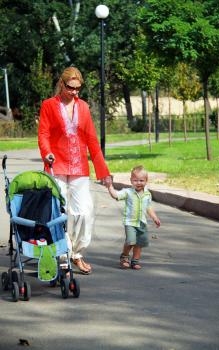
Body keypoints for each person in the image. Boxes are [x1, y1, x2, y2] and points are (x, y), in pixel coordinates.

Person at [38, 66, 112, 274]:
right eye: (71, 88)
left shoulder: (84, 108)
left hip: (79, 165)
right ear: (62, 84)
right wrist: (46, 152)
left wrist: (103, 172)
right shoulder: (48, 106)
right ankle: (62, 254)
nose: (75, 92)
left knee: (84, 212)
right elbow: (43, 133)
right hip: (57, 165)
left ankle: (76, 253)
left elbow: (92, 141)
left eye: (78, 89)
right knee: (59, 212)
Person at [108, 165, 160, 270]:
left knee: (139, 243)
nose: (138, 183)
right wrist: (110, 186)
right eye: (135, 180)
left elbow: (148, 207)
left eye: (141, 180)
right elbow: (116, 195)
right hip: (130, 222)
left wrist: (154, 217)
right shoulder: (128, 192)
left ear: (146, 181)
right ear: (131, 180)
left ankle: (135, 261)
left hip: (142, 223)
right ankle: (124, 257)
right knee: (131, 241)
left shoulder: (147, 194)